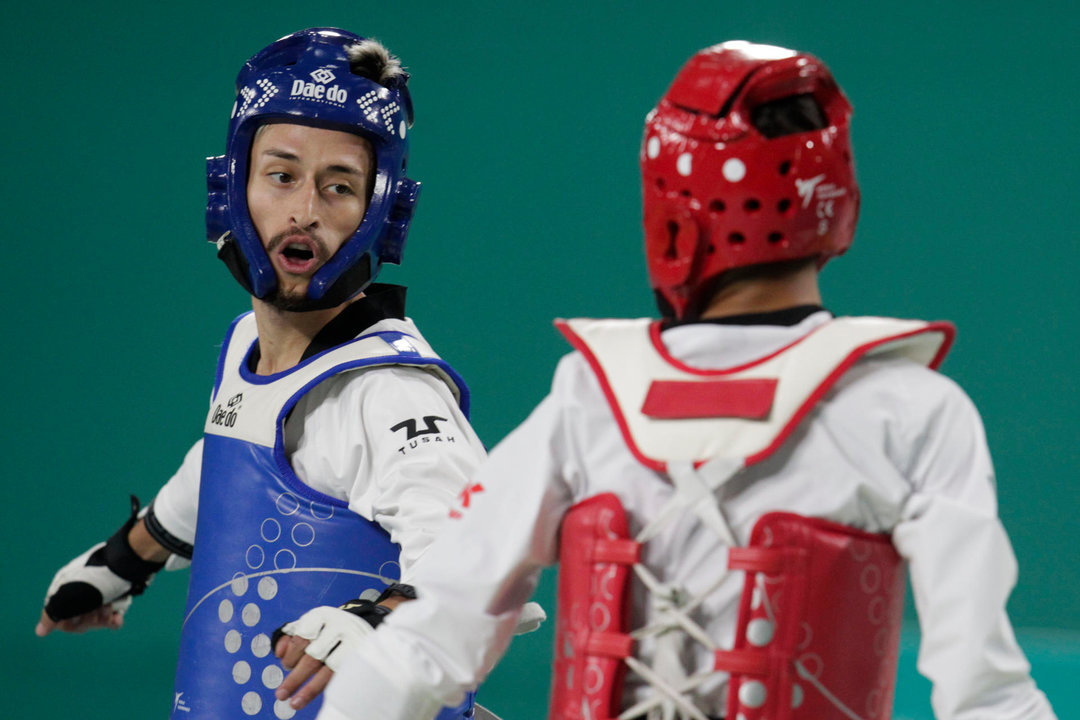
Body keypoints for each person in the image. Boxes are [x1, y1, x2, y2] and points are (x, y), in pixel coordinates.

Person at [290, 41, 1059, 720]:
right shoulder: (912, 412)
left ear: (671, 220)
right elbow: (984, 694)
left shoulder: (588, 401)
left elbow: (432, 639)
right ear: (838, 214)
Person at [36, 27, 488, 720]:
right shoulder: (249, 344)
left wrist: (383, 619)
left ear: (382, 212)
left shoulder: (384, 390)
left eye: (340, 187)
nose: (304, 210)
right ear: (233, 186)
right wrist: (126, 561)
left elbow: (475, 548)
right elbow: (227, 465)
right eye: (282, 176)